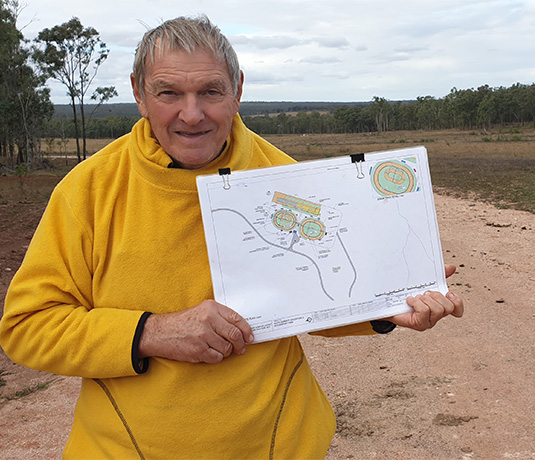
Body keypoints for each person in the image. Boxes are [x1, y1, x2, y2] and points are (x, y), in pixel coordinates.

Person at [0, 15, 463, 459]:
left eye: (210, 91)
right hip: (123, 450)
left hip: (277, 446)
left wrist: (383, 307)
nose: (191, 114)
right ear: (139, 94)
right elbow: (26, 326)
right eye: (168, 92)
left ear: (237, 90)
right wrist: (150, 333)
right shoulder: (89, 190)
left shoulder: (283, 179)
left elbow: (311, 294)